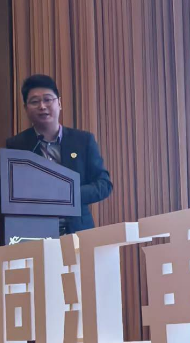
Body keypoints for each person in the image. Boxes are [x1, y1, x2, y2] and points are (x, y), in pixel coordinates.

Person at [6, 74, 112, 233]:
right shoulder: (16, 146)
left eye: (47, 99)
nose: (42, 106)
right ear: (26, 109)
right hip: (35, 233)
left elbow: (103, 185)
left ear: (59, 103)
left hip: (78, 232)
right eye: (34, 102)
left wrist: (68, 194)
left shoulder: (83, 141)